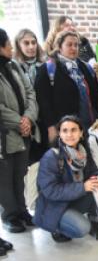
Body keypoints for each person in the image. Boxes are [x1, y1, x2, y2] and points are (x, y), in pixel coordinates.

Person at [33, 115, 98, 242]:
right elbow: (50, 191)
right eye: (65, 130)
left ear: (81, 133)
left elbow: (94, 171)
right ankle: (57, 228)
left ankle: (94, 222)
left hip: (73, 197)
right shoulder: (51, 157)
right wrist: (83, 187)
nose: (69, 134)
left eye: (74, 130)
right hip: (54, 204)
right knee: (82, 228)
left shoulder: (83, 151)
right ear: (59, 134)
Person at [35, 30, 98, 144]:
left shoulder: (85, 66)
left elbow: (96, 94)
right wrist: (51, 126)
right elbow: (43, 102)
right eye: (69, 45)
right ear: (59, 47)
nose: (74, 48)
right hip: (66, 129)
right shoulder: (48, 69)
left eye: (76, 45)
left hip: (90, 125)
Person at [0, 28, 39, 233]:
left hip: (24, 131)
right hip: (5, 135)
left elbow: (30, 92)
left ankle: (22, 211)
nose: (11, 47)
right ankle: (10, 216)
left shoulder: (14, 65)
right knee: (4, 178)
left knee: (19, 174)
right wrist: (19, 122)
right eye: (8, 43)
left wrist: (29, 118)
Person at [13, 28, 46, 163]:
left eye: (34, 42)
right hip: (24, 119)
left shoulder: (45, 65)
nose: (31, 46)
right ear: (18, 45)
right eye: (26, 43)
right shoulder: (13, 68)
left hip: (44, 118)